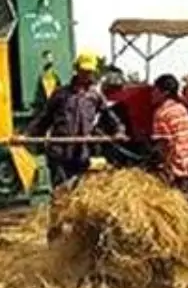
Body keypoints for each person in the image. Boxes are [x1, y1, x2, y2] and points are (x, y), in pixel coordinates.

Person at [25, 51, 125, 189]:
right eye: (83, 71)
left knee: (79, 192)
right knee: (60, 192)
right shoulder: (61, 94)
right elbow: (44, 118)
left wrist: (119, 131)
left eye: (89, 71)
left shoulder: (95, 96)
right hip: (59, 151)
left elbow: (109, 116)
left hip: (82, 152)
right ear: (76, 69)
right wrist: (28, 136)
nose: (86, 74)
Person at [150, 74, 188, 200]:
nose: (152, 94)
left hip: (176, 170)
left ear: (164, 93)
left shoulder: (161, 114)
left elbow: (164, 145)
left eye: (155, 90)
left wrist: (163, 168)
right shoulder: (182, 109)